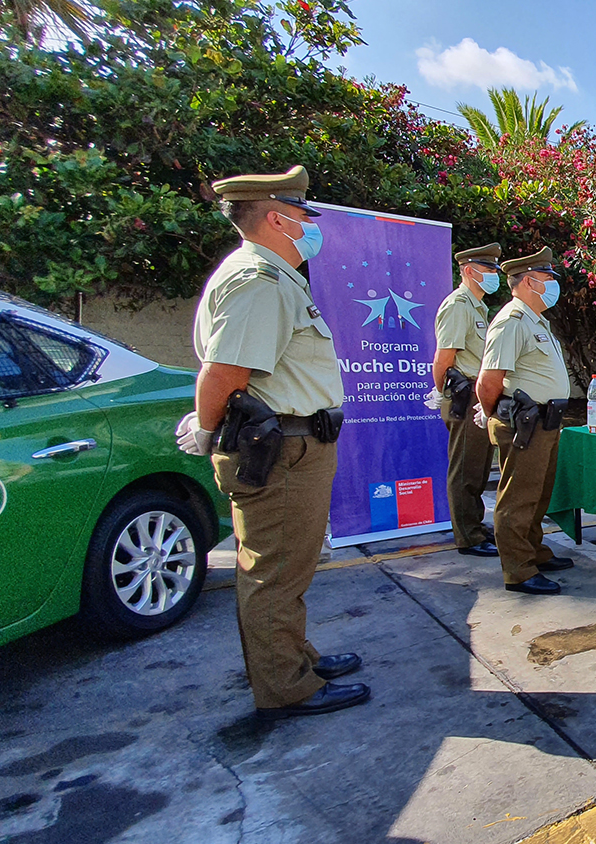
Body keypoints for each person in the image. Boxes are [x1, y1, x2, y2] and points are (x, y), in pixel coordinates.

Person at [178, 166, 369, 719]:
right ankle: (287, 687)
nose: (312, 226)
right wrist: (208, 430)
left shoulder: (275, 277)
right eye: (305, 215)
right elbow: (224, 373)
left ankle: (294, 659)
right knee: (274, 571)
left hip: (296, 445)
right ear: (278, 218)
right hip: (281, 449)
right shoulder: (257, 280)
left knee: (291, 565)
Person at [474, 247, 575, 595]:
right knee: (518, 497)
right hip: (525, 424)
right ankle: (518, 570)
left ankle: (534, 552)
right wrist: (498, 416)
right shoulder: (511, 320)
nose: (553, 286)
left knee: (538, 494)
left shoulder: (536, 321)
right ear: (530, 281)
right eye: (548, 279)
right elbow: (488, 381)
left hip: (546, 422)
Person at [431, 243, 502, 559]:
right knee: (465, 469)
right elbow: (443, 360)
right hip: (466, 395)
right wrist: (450, 395)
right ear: (469, 270)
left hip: (478, 396)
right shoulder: (458, 305)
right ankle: (468, 537)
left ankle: (474, 525)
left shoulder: (476, 307)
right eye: (487, 270)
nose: (493, 276)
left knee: (479, 467)